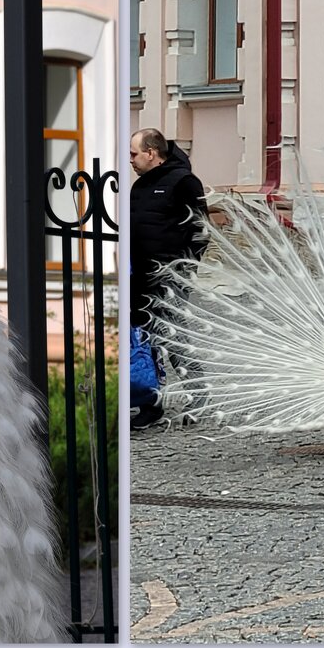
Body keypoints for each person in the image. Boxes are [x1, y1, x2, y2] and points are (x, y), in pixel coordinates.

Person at [129, 128, 208, 430]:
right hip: (140, 273)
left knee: (171, 333)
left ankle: (198, 392)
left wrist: (185, 266)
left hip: (171, 273)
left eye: (135, 153)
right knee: (142, 341)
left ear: (152, 153)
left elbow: (201, 229)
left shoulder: (184, 182)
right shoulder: (138, 187)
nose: (131, 160)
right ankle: (150, 401)